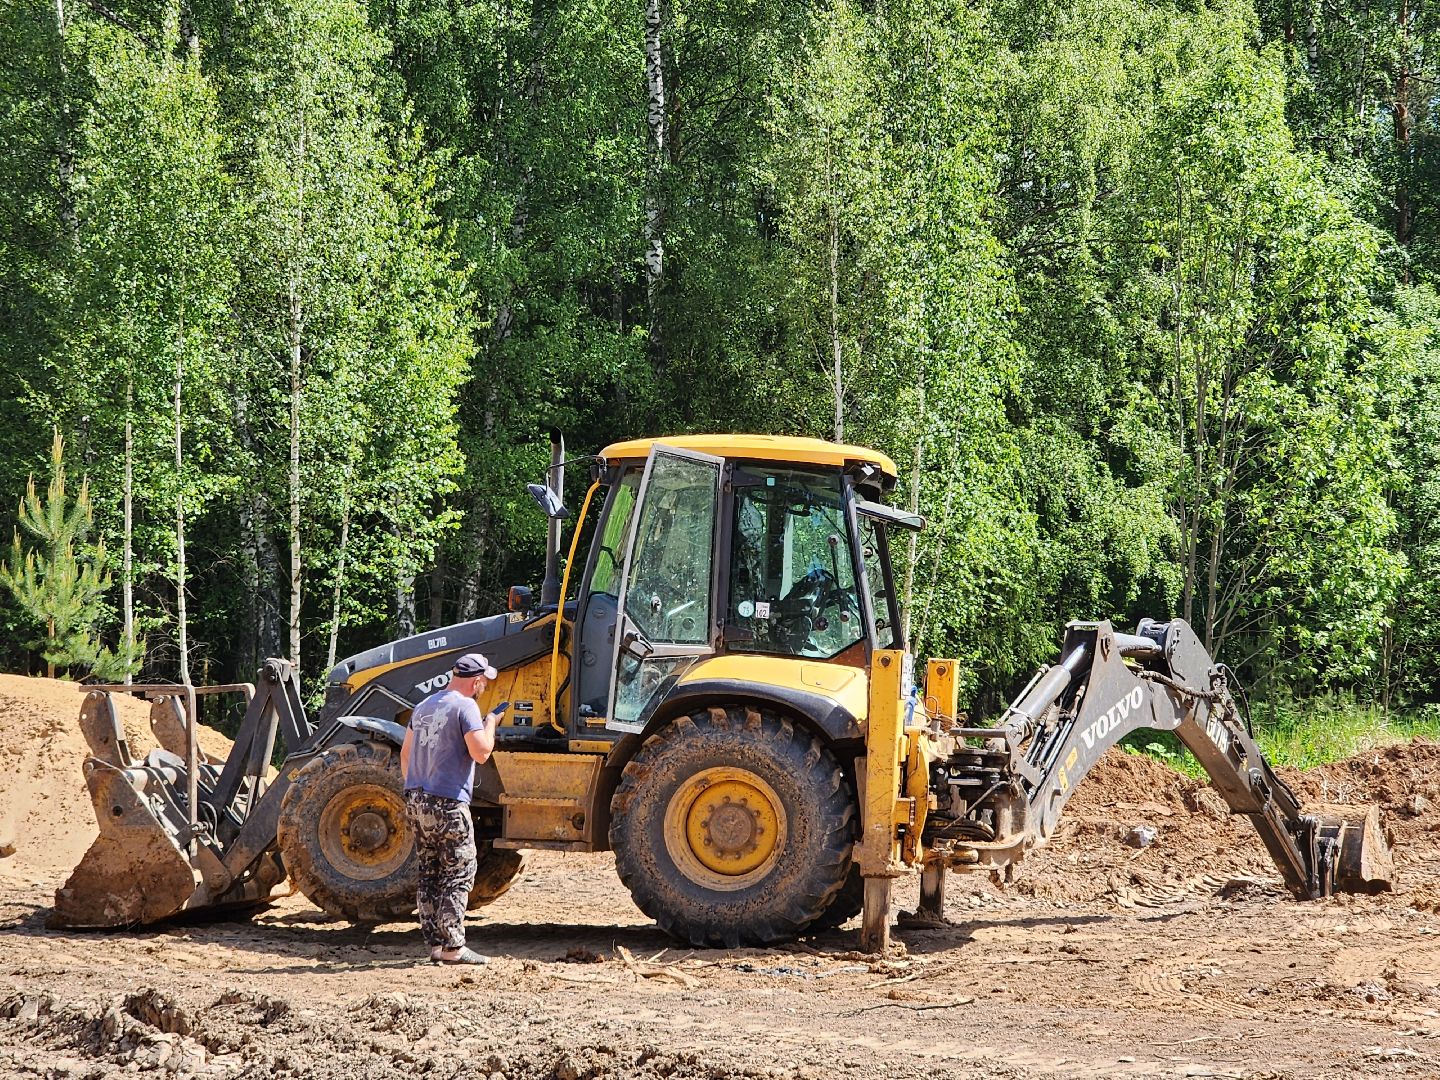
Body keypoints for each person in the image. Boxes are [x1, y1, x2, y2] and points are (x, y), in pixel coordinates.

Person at [400, 652, 504, 965]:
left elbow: (405, 754)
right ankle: (453, 948)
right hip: (447, 802)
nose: (484, 685)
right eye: (484, 681)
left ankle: (435, 945)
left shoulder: (423, 706)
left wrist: (417, 788)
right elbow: (481, 752)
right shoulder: (466, 706)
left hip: (417, 798)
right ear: (476, 681)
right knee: (459, 872)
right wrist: (490, 724)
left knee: (429, 872)